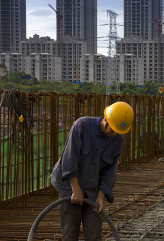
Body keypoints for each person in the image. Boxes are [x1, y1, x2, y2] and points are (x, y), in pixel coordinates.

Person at [49, 101, 134, 241]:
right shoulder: (82, 125)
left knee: (94, 234)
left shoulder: (117, 139)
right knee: (70, 232)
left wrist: (101, 196)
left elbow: (110, 171)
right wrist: (75, 189)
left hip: (92, 189)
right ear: (106, 120)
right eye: (112, 129)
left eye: (117, 131)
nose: (114, 134)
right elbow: (70, 159)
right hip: (69, 185)